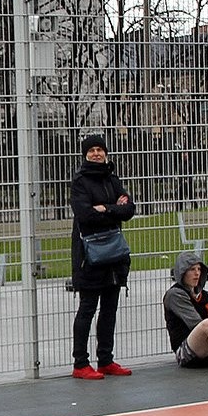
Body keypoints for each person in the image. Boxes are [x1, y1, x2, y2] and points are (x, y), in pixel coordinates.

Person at [70, 133, 135, 379]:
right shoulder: (80, 182)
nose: (96, 153)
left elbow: (129, 209)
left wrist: (106, 208)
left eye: (100, 149)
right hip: (90, 256)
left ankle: (105, 359)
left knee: (110, 308)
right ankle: (80, 363)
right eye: (91, 150)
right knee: (87, 308)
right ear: (85, 155)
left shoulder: (113, 178)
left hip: (114, 256)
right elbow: (85, 215)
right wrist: (114, 210)